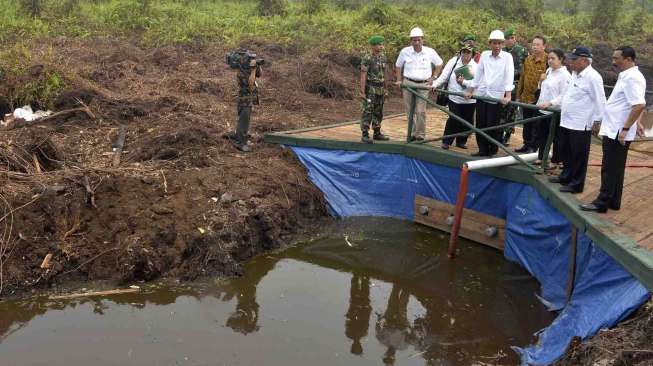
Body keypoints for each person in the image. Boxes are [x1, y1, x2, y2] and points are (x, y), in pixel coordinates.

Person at [580, 46, 646, 212]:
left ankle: (601, 202)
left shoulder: (632, 78)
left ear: (629, 59)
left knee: (609, 167)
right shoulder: (627, 76)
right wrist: (637, 123)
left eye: (617, 58)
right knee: (616, 167)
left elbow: (639, 104)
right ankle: (614, 200)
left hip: (618, 130)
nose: (613, 61)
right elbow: (635, 102)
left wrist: (625, 129)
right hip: (615, 128)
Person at [548, 46, 606, 194]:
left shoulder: (593, 77)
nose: (570, 62)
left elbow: (601, 101)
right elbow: (566, 95)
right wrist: (552, 103)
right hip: (567, 120)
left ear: (585, 60)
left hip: (581, 123)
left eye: (574, 59)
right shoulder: (574, 74)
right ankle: (566, 176)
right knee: (566, 151)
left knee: (579, 155)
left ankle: (576, 184)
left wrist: (597, 122)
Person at [464, 30, 514, 157]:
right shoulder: (485, 55)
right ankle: (482, 149)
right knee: (480, 123)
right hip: (482, 93)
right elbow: (479, 74)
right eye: (494, 43)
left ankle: (492, 149)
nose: (496, 46)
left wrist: (508, 95)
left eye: (499, 43)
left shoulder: (507, 57)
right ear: (489, 44)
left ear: (502, 44)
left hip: (496, 95)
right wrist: (471, 90)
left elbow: (509, 75)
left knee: (493, 124)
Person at [395, 27, 444, 141]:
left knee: (420, 111)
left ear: (423, 39)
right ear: (410, 41)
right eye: (414, 40)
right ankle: (411, 133)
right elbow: (398, 65)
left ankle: (420, 135)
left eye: (419, 40)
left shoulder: (430, 51)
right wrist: (398, 79)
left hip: (423, 84)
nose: (417, 42)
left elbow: (439, 63)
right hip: (408, 83)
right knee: (409, 110)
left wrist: (434, 77)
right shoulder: (405, 51)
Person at [432, 44, 478, 149]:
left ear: (472, 54)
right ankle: (447, 141)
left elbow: (478, 83)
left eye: (468, 52)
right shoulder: (454, 62)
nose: (466, 54)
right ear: (461, 52)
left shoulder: (476, 66)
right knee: (454, 119)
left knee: (467, 121)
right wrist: (435, 84)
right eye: (464, 52)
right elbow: (444, 76)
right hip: (454, 97)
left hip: (469, 100)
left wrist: (470, 89)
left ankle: (461, 141)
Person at [535, 49, 572, 165]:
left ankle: (556, 161)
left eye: (553, 58)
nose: (550, 61)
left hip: (555, 111)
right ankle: (541, 157)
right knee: (542, 135)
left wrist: (551, 103)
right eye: (549, 58)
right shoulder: (548, 71)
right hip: (542, 108)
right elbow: (542, 89)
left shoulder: (565, 75)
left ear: (560, 59)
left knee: (556, 137)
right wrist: (540, 82)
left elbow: (564, 94)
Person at [515, 36, 548, 153]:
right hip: (526, 97)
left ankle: (534, 147)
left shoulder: (548, 60)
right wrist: (518, 95)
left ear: (544, 46)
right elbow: (522, 78)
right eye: (533, 44)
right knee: (526, 122)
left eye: (538, 44)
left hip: (539, 99)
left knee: (537, 125)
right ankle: (526, 144)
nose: (535, 47)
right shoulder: (528, 59)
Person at [499, 27, 528, 145]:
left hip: (515, 85)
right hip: (501, 85)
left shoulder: (521, 51)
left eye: (512, 38)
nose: (511, 40)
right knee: (501, 110)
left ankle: (507, 135)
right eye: (508, 38)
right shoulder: (502, 51)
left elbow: (526, 68)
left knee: (511, 111)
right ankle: (499, 133)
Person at [360, 35, 389, 144]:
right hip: (371, 88)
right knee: (368, 111)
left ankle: (377, 132)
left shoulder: (383, 57)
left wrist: (386, 88)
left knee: (379, 110)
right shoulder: (367, 58)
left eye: (382, 44)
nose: (381, 46)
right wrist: (362, 91)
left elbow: (385, 73)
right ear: (372, 46)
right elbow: (363, 74)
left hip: (380, 88)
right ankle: (365, 134)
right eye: (379, 44)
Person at [233, 52, 262, 152]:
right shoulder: (240, 73)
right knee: (243, 120)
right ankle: (240, 143)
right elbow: (250, 84)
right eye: (249, 60)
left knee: (245, 120)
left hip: (248, 99)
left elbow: (260, 74)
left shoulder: (247, 69)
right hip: (244, 100)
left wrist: (257, 66)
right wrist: (253, 70)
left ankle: (241, 138)